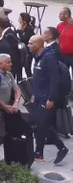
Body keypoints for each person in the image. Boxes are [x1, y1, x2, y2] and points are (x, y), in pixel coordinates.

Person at [28, 35, 69, 164]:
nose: (28, 45)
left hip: (46, 99)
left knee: (43, 125)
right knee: (40, 125)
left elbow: (54, 80)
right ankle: (39, 152)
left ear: (39, 45)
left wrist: (51, 98)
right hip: (38, 97)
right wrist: (34, 93)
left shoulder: (49, 57)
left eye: (31, 43)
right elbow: (39, 78)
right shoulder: (37, 56)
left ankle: (61, 148)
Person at [18, 12, 36, 77]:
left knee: (27, 68)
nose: (18, 20)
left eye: (20, 18)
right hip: (21, 51)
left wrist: (19, 31)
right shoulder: (21, 27)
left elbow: (24, 38)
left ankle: (31, 82)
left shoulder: (29, 29)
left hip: (27, 52)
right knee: (19, 68)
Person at [56, 7, 73, 71]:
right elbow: (57, 39)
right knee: (63, 74)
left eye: (60, 14)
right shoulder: (59, 25)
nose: (58, 16)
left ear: (66, 15)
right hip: (62, 55)